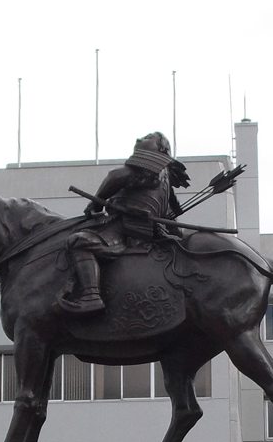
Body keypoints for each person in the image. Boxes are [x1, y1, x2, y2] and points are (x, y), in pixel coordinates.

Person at [60, 131, 189, 314]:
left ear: (161, 148)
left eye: (147, 137)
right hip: (143, 229)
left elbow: (116, 176)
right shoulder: (164, 177)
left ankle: (91, 295)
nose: (138, 139)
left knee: (78, 242)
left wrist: (96, 201)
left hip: (125, 228)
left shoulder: (149, 166)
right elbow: (171, 220)